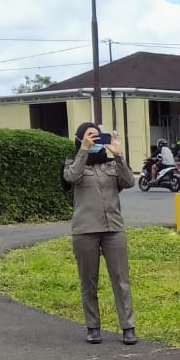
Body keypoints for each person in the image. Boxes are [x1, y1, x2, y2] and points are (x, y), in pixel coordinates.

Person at [62, 122, 139, 344]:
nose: (95, 141)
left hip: (113, 229)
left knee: (121, 280)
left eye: (98, 137)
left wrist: (119, 155)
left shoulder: (111, 166)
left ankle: (128, 327)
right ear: (79, 139)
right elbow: (71, 178)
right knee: (89, 281)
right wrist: (84, 150)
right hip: (85, 231)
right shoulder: (72, 164)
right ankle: (93, 326)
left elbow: (129, 181)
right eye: (89, 136)